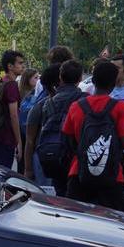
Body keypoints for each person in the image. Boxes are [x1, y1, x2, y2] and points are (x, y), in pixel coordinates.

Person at [61, 59, 124, 210]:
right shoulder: (120, 107)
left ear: (93, 81)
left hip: (79, 172)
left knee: (76, 217)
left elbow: (68, 138)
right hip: (112, 175)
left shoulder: (76, 106)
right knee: (113, 220)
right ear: (114, 83)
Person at [35, 60, 87, 197]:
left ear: (60, 77)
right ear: (80, 78)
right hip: (75, 157)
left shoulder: (48, 102)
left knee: (59, 194)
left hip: (53, 154)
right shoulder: (84, 100)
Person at [22, 64, 60, 187]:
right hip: (48, 159)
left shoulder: (39, 105)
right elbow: (30, 140)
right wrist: (28, 169)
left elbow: (30, 140)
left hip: (43, 156)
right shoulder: (41, 106)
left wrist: (28, 169)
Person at [0, 50, 26, 169]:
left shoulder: (2, 82)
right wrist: (19, 142)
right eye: (20, 63)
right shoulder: (11, 85)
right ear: (10, 66)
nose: (23, 66)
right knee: (2, 173)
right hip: (5, 137)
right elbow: (13, 115)